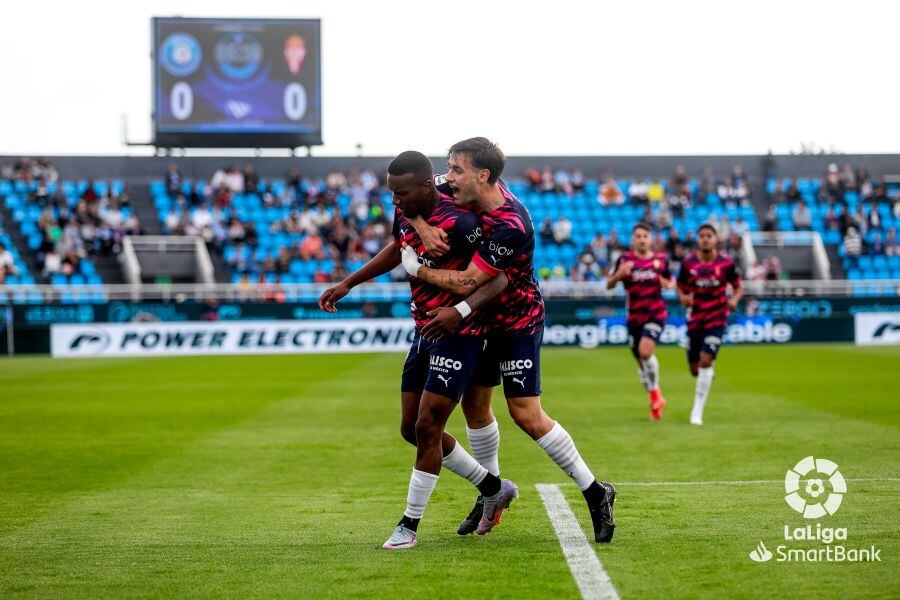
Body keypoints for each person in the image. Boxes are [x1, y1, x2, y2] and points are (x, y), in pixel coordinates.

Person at [402, 137, 617, 543]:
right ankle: (490, 493)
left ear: (483, 176)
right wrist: (421, 226)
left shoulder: (511, 224)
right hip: (478, 324)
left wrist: (417, 268)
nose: (448, 177)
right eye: (448, 168)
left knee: (526, 415)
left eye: (457, 170)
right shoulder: (449, 186)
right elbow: (405, 196)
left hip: (517, 322)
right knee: (475, 410)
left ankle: (595, 491)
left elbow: (471, 281)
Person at [318, 151, 510, 550]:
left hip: (460, 330)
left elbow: (486, 279)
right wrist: (348, 283)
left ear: (426, 186)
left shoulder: (464, 221)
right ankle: (493, 487)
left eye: (401, 194)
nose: (394, 201)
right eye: (391, 194)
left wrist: (456, 302)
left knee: (427, 426)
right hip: (424, 330)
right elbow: (396, 247)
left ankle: (408, 526)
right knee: (411, 429)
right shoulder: (408, 210)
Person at [676, 224, 743, 426]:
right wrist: (683, 297)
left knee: (705, 360)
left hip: (717, 318)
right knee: (695, 369)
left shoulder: (726, 263)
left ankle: (696, 412)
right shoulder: (689, 264)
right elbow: (680, 286)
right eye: (702, 236)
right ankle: (707, 374)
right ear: (698, 239)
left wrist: (734, 301)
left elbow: (738, 286)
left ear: (716, 238)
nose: (705, 239)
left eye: (709, 235)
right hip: (695, 319)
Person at [606, 223, 675, 419]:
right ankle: (656, 397)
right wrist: (619, 276)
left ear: (650, 239)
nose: (642, 239)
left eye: (645, 236)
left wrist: (668, 284)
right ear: (633, 240)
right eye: (639, 236)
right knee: (642, 368)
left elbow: (671, 280)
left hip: (656, 314)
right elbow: (609, 284)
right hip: (634, 318)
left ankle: (655, 396)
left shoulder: (661, 260)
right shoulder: (624, 260)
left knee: (646, 352)